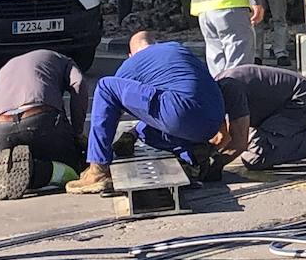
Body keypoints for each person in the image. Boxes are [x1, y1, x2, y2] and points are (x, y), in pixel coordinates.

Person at [66, 31, 225, 195]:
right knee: (145, 131)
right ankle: (195, 154)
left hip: (180, 113)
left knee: (105, 87)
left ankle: (97, 170)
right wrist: (133, 134)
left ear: (130, 54)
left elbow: (110, 107)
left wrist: (102, 147)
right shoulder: (177, 49)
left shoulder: (133, 63)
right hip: (213, 119)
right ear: (155, 43)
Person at [0, 49, 87, 200]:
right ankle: (38, 171)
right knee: (73, 170)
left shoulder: (8, 66)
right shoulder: (66, 62)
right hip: (40, 119)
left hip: (0, 126)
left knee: (23, 163)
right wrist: (77, 132)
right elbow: (79, 86)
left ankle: (11, 166)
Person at [209, 64, 306, 171]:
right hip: (291, 99)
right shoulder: (217, 89)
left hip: (301, 99)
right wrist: (208, 153)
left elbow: (239, 143)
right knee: (255, 147)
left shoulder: (230, 90)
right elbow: (223, 136)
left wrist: (214, 165)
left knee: (257, 157)